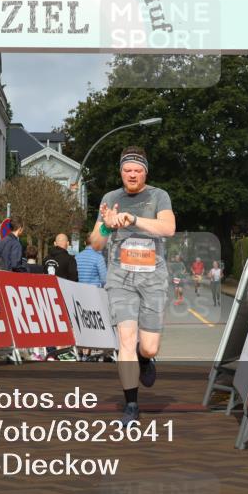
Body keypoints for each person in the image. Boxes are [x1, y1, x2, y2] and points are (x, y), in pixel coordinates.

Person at [92, 145, 175, 425]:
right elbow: (96, 244)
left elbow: (169, 228)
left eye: (137, 170)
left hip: (152, 278)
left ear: (145, 172)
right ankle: (131, 405)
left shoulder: (158, 196)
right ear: (120, 172)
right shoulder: (110, 198)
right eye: (127, 170)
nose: (132, 174)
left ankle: (144, 359)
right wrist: (106, 226)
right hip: (120, 278)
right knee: (125, 341)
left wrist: (134, 219)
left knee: (148, 346)